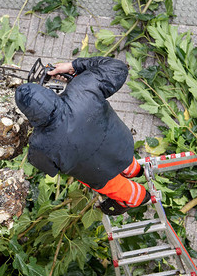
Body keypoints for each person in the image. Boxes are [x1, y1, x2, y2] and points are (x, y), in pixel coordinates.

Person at [15, 56, 150, 215]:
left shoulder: (39, 145)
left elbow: (49, 169)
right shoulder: (82, 87)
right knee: (122, 156)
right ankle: (135, 170)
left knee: (117, 186)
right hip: (122, 145)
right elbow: (118, 67)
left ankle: (138, 197)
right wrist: (74, 66)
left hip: (99, 173)